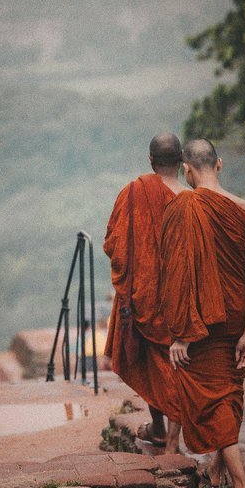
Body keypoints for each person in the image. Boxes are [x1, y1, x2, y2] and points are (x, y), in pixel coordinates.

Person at [160, 139, 245, 488]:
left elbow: (177, 275)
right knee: (229, 393)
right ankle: (218, 473)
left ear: (186, 169)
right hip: (236, 315)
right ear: (218, 164)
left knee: (214, 400)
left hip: (202, 323)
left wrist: (180, 333)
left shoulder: (183, 207)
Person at [103, 132, 185, 452]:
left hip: (144, 297)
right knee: (177, 366)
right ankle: (167, 434)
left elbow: (114, 244)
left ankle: (161, 428)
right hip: (181, 300)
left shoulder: (134, 192)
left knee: (150, 363)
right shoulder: (192, 200)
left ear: (151, 160)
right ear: (181, 161)